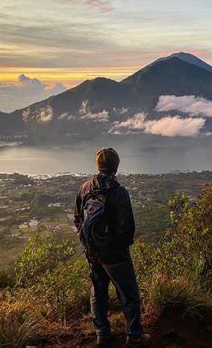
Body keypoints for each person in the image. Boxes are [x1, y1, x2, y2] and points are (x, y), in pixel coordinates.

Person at [74, 147, 151, 347]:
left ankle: (102, 333)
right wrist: (118, 248)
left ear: (98, 165)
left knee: (98, 292)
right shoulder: (119, 193)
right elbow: (127, 228)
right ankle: (134, 336)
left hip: (92, 253)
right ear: (116, 167)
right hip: (114, 255)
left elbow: (78, 219)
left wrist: (89, 244)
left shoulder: (85, 188)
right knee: (128, 293)